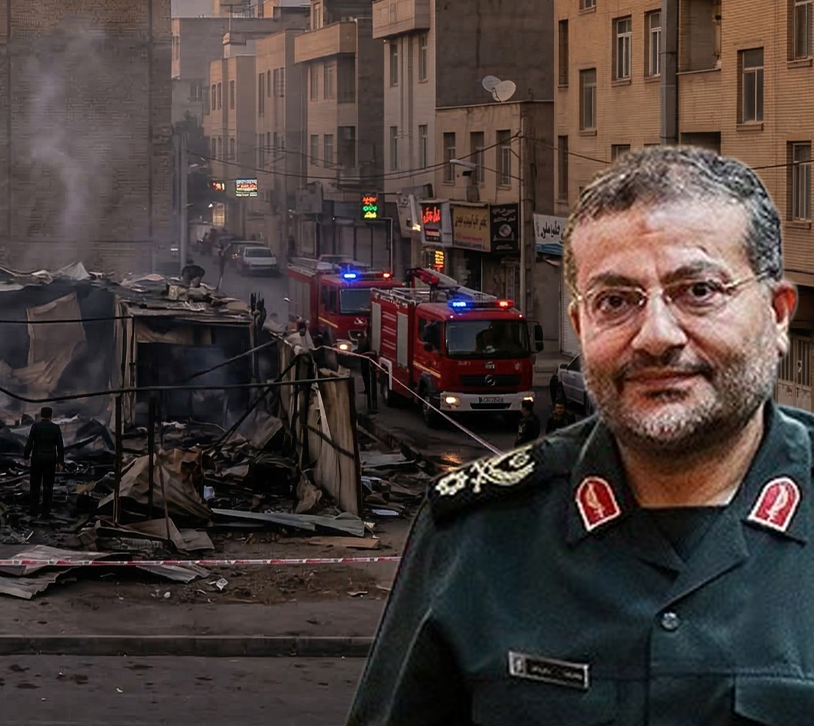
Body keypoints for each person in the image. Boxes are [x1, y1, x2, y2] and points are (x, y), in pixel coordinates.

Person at [349, 147, 814, 724]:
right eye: (615, 301)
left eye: (698, 291)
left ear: (777, 314)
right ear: (580, 326)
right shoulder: (477, 535)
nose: (656, 336)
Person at [24, 407, 66, 519]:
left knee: (35, 485)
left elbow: (29, 443)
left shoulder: (36, 427)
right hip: (50, 459)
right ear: (51, 416)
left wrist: (26, 457)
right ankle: (46, 511)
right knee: (48, 486)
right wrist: (60, 462)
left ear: (41, 415)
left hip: (37, 458)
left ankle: (34, 510)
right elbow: (60, 447)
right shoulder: (55, 428)